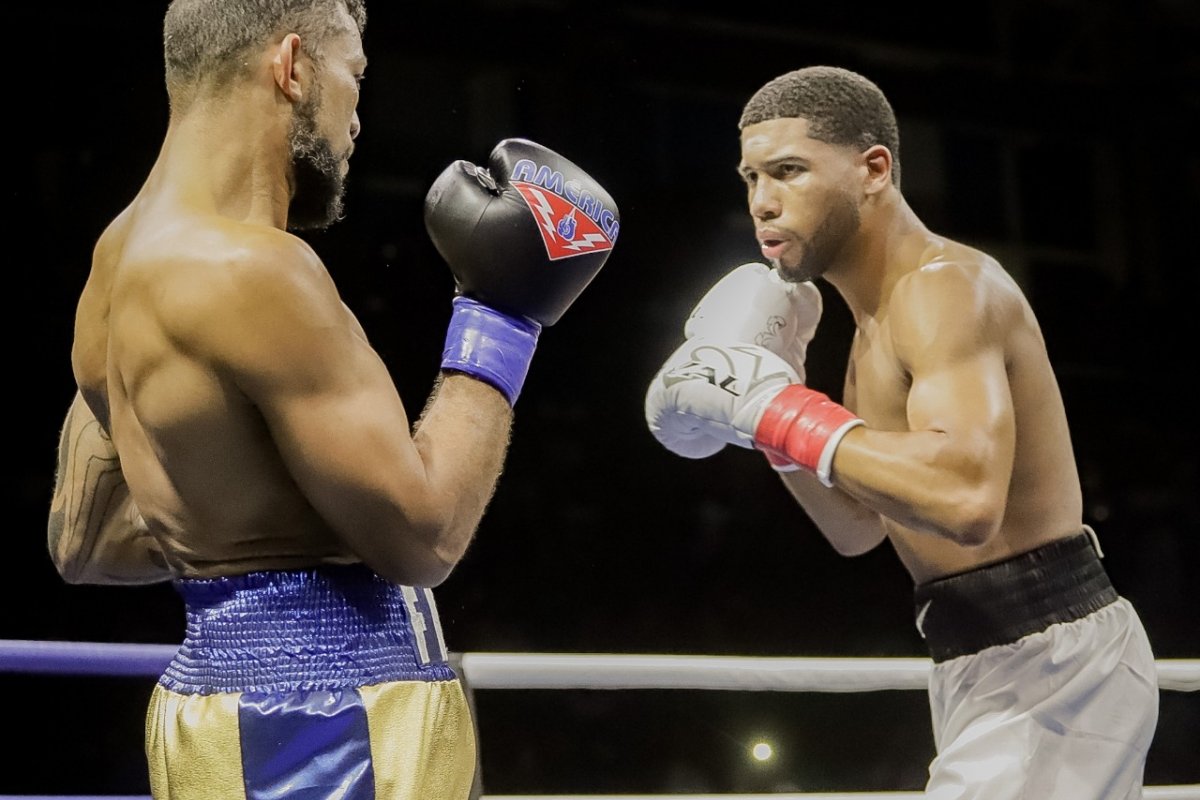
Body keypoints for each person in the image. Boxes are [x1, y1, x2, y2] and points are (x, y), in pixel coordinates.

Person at [46, 0, 618, 797]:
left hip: (216, 724)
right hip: (324, 732)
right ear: (292, 67)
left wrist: (268, 525)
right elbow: (425, 539)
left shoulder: (113, 265)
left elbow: (86, 540)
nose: (356, 119)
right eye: (354, 74)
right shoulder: (256, 271)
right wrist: (503, 314)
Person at [644, 65, 1157, 798]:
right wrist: (776, 414)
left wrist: (772, 408)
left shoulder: (944, 288)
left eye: (788, 171)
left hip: (1051, 664)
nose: (762, 201)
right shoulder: (868, 327)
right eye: (750, 177)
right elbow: (859, 528)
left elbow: (965, 500)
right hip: (983, 659)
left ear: (873, 168)